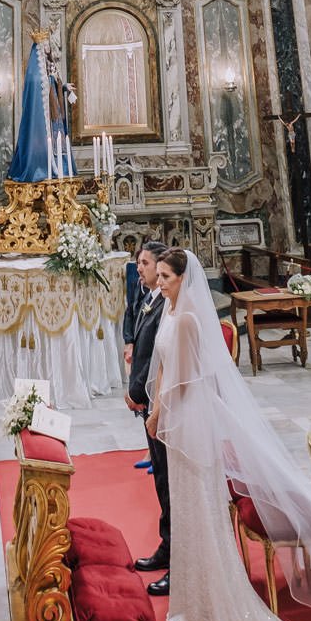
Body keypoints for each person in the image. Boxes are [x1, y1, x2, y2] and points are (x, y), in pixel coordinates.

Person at [146, 248, 311, 621]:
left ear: (185, 278)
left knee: (199, 508)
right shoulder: (170, 310)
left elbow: (186, 378)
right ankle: (193, 600)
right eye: (160, 275)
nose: (160, 282)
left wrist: (160, 411)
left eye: (166, 276)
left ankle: (216, 603)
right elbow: (164, 368)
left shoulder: (186, 320)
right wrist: (155, 405)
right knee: (188, 510)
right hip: (178, 417)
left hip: (190, 421)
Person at [125, 242, 168, 581]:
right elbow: (141, 348)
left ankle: (176, 551)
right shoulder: (148, 298)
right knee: (161, 477)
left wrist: (137, 391)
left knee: (168, 480)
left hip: (161, 406)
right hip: (149, 402)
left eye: (144, 263)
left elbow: (158, 357)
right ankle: (168, 546)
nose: (138, 269)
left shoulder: (167, 307)